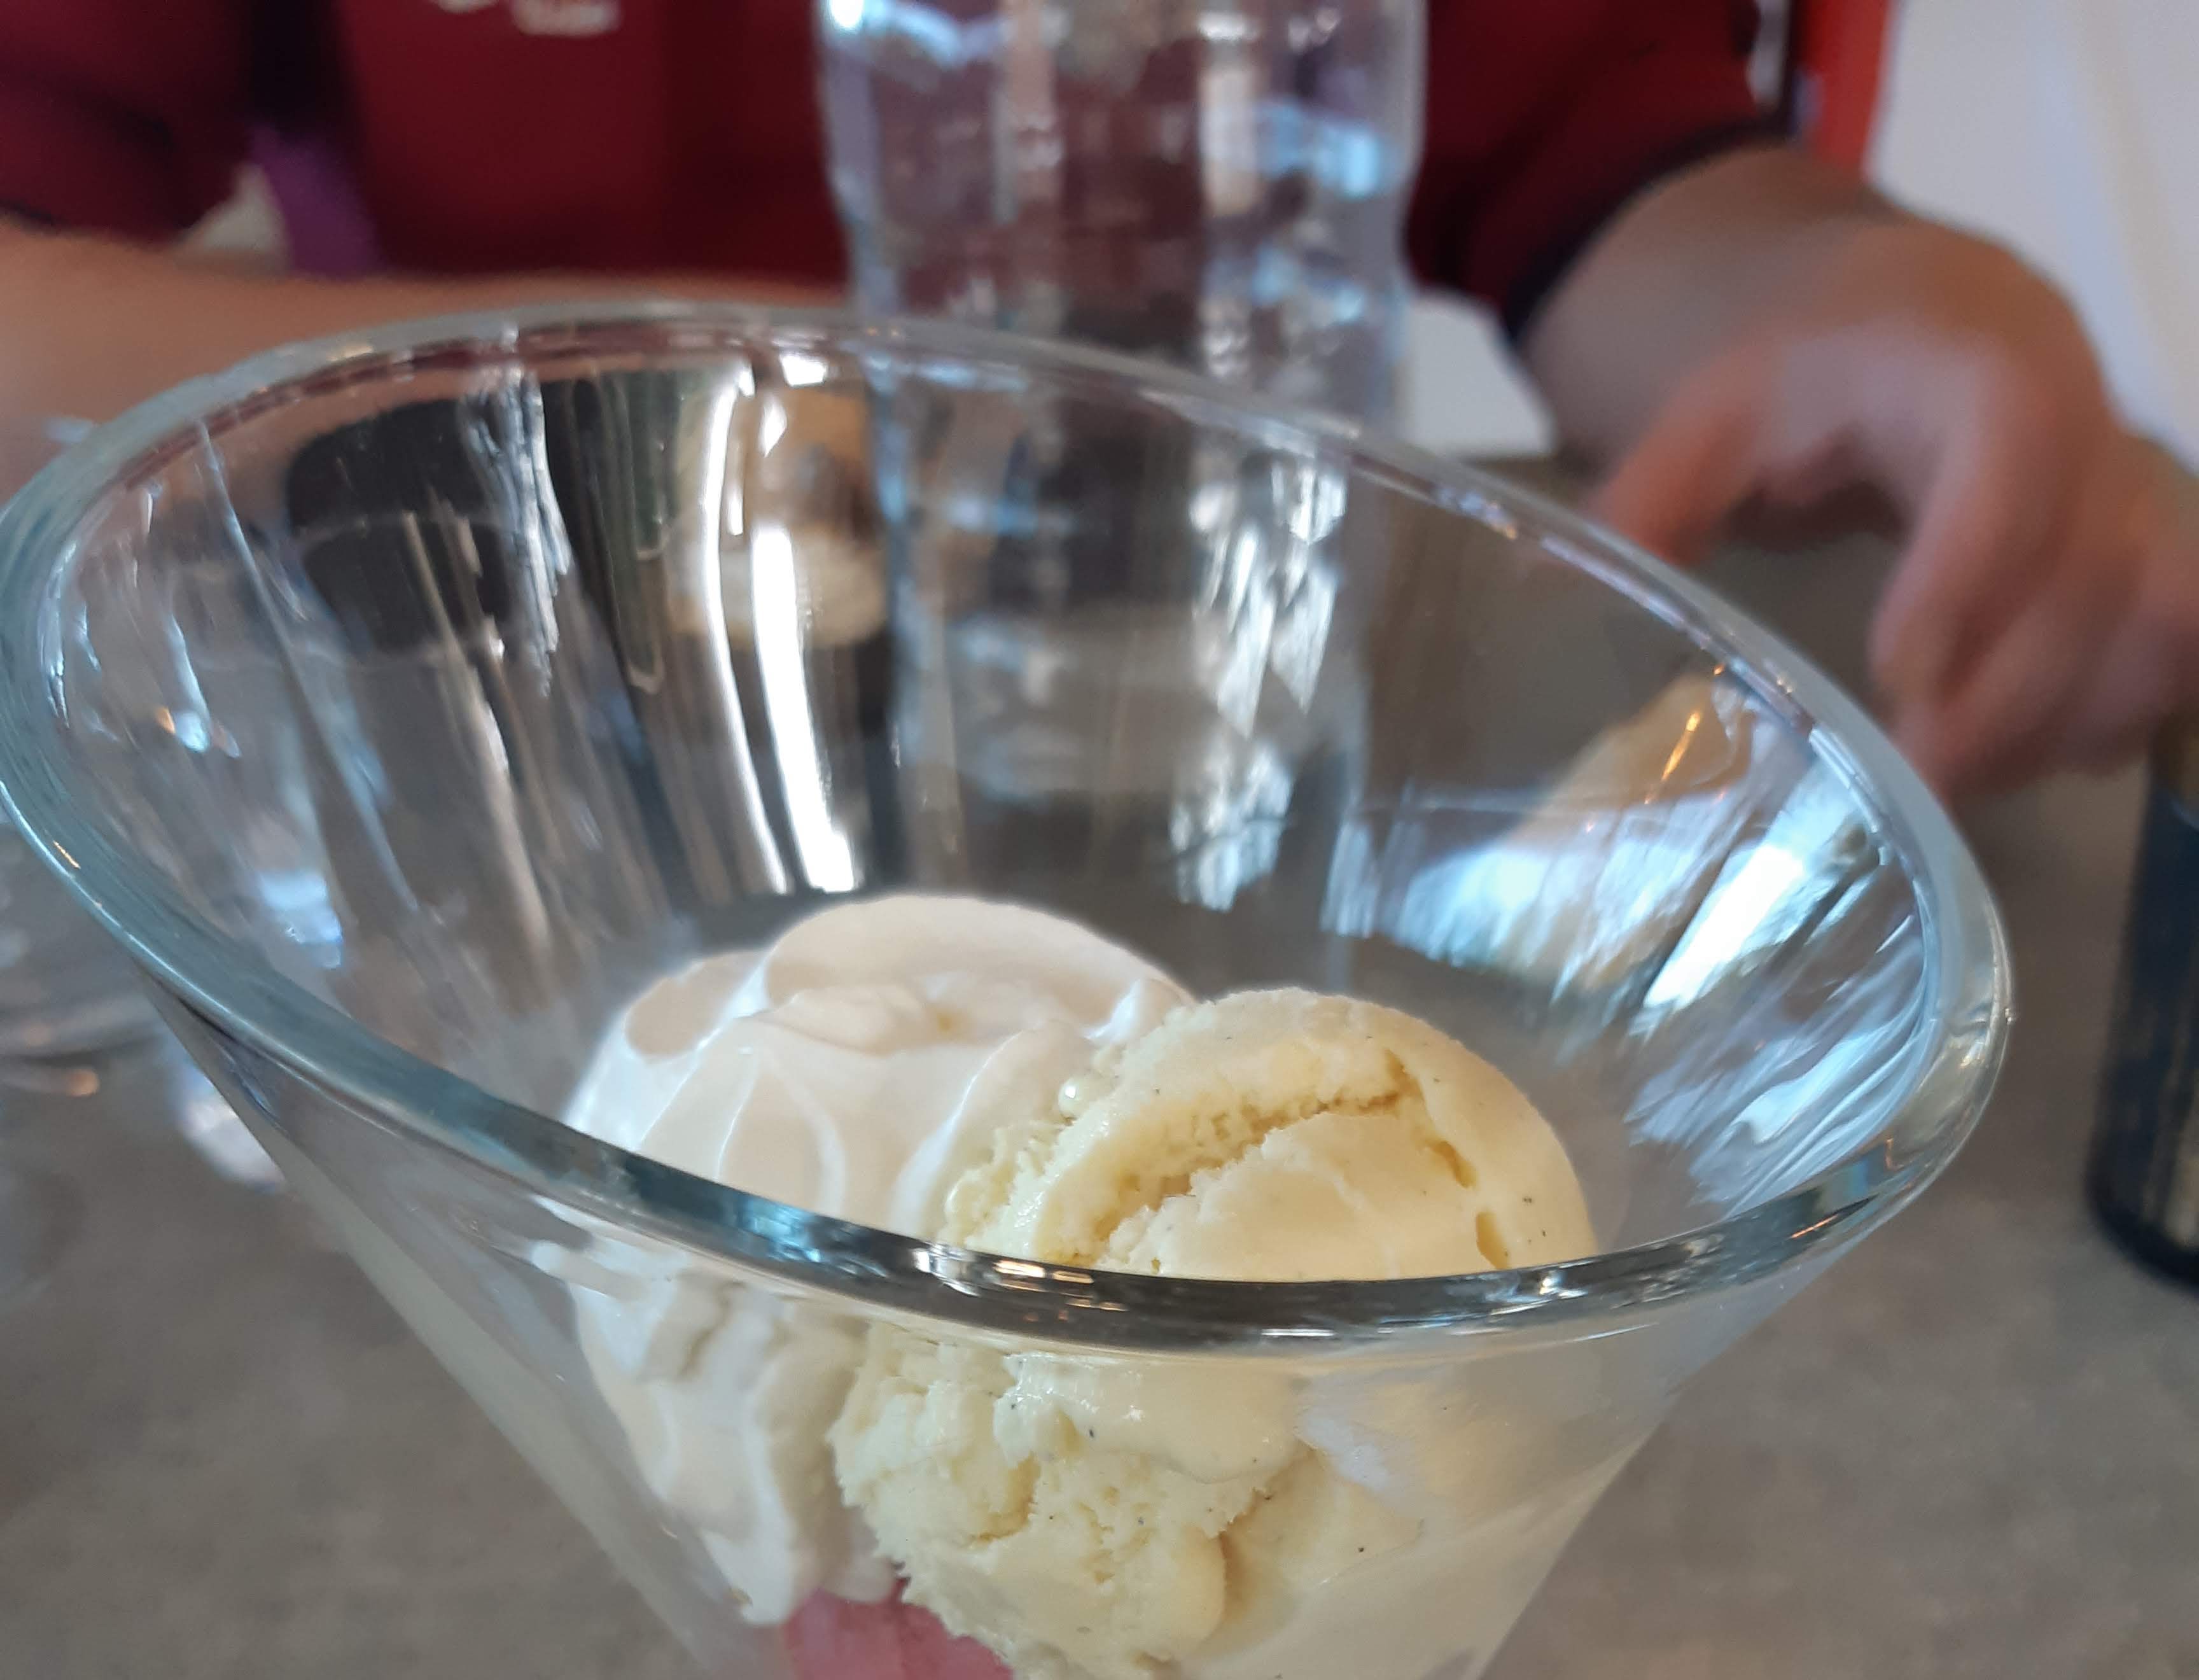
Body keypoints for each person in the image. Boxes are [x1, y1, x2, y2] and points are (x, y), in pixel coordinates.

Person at [0, 0, 2192, 794]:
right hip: (536, 773)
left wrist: (1862, 293)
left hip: (1195, 767)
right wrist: (721, 375)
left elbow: (1609, 166)